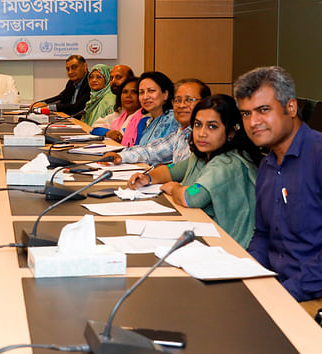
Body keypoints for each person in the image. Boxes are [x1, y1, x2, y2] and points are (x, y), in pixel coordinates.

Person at [235, 66, 322, 308]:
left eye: (263, 110)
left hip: (311, 296)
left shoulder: (318, 155)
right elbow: (263, 236)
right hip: (277, 288)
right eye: (245, 114)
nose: (253, 122)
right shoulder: (267, 165)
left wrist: (282, 295)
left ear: (291, 107)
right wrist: (247, 274)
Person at [128, 95, 261, 247]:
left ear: (231, 131)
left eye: (212, 126)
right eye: (198, 124)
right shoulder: (203, 154)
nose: (202, 133)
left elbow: (190, 198)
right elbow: (173, 170)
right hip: (203, 229)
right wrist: (148, 178)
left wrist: (174, 188)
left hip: (230, 243)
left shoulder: (228, 162)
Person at [112, 78, 210, 164]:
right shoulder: (181, 134)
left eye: (189, 100)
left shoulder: (207, 136)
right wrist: (120, 156)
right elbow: (151, 151)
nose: (181, 105)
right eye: (177, 100)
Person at [131, 71, 180, 147]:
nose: (145, 97)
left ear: (165, 94)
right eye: (141, 92)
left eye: (151, 91)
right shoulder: (148, 121)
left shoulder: (175, 119)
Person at [90, 76, 142, 145]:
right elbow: (94, 128)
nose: (128, 95)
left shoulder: (143, 117)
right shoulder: (120, 113)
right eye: (125, 92)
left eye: (134, 92)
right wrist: (107, 132)